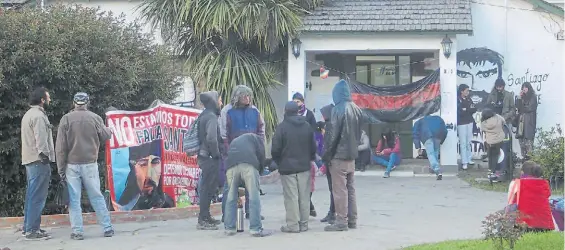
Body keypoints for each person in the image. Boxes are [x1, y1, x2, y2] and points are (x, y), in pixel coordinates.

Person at [55, 92, 114, 240]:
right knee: (96, 196)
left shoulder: (66, 119)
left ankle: (77, 231)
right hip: (90, 164)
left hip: (71, 165)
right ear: (87, 103)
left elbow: (60, 148)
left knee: (74, 200)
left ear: (74, 103)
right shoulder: (94, 118)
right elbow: (106, 136)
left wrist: (61, 169)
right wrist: (110, 130)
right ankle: (107, 228)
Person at [219, 85, 265, 220]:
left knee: (253, 187)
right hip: (233, 157)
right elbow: (223, 134)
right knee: (230, 188)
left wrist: (259, 149)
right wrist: (228, 153)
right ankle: (227, 215)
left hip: (251, 156)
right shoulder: (227, 111)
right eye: (244, 96)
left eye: (249, 96)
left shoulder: (255, 111)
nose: (247, 98)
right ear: (237, 97)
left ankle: (252, 212)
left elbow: (261, 130)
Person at [322, 80, 363, 232]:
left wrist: (327, 155)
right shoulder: (357, 109)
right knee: (350, 188)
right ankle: (352, 220)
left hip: (338, 156)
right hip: (351, 155)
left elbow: (332, 136)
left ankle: (341, 221)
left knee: (339, 190)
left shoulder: (338, 109)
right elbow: (358, 135)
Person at [271, 101, 316, 233]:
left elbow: (275, 149)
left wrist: (279, 162)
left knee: (291, 197)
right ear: (298, 111)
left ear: (285, 111)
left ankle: (292, 225)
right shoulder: (307, 126)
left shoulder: (281, 127)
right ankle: (304, 224)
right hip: (304, 167)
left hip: (287, 168)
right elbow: (313, 147)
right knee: (304, 196)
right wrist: (309, 159)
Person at [20, 87, 54, 240]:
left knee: (31, 195)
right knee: (37, 196)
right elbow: (41, 140)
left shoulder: (28, 114)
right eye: (48, 97)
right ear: (42, 99)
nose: (49, 99)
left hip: (30, 160)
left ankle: (28, 228)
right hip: (38, 160)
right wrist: (45, 157)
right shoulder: (39, 116)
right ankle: (32, 230)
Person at [223, 133, 271, 237]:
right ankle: (255, 229)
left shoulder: (236, 140)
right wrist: (260, 171)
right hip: (248, 164)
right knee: (254, 196)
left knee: (231, 197)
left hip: (231, 165)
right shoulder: (258, 140)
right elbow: (261, 157)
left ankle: (229, 228)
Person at [196, 91, 223, 230]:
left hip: (203, 156)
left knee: (207, 187)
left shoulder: (204, 114)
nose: (221, 103)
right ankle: (203, 219)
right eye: (219, 100)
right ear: (214, 101)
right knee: (207, 188)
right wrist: (216, 154)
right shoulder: (211, 117)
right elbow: (212, 138)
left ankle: (206, 216)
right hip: (209, 157)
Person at [412, 115, 448, 180]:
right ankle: (432, 168)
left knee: (430, 154)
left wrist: (418, 147)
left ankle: (437, 170)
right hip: (438, 136)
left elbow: (415, 134)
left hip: (427, 136)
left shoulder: (419, 122)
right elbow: (445, 130)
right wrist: (441, 140)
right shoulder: (438, 119)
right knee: (435, 152)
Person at [319, 104, 335, 224]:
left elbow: (328, 147)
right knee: (333, 190)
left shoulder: (330, 127)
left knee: (334, 190)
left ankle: (333, 213)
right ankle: (332, 212)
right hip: (330, 162)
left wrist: (324, 160)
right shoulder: (330, 126)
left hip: (331, 162)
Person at [480, 108, 506, 181]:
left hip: (490, 141)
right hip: (499, 140)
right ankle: (494, 172)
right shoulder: (498, 117)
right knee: (495, 156)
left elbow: (483, 129)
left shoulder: (484, 123)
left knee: (490, 156)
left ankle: (490, 170)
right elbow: (504, 121)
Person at [515, 82, 538, 161]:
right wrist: (519, 97)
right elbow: (517, 107)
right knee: (521, 142)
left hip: (529, 123)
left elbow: (529, 108)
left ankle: (530, 160)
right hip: (521, 122)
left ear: (529, 88)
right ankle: (524, 158)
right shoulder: (521, 97)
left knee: (528, 142)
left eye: (525, 87)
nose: (524, 89)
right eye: (523, 87)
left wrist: (521, 107)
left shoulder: (533, 97)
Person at [457, 84, 477, 170]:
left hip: (469, 121)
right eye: (466, 90)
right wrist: (466, 109)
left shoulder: (469, 99)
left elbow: (473, 109)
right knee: (463, 143)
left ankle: (469, 159)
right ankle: (464, 161)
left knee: (469, 141)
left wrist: (466, 109)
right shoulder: (458, 99)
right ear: (462, 91)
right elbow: (460, 111)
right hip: (461, 123)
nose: (468, 92)